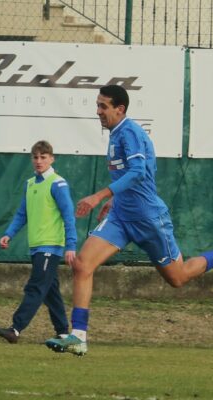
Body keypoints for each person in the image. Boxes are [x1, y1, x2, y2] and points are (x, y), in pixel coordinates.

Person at [45, 85, 213, 356]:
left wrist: (100, 196)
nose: (98, 111)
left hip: (148, 218)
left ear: (119, 109)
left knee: (178, 278)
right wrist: (114, 200)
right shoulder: (115, 134)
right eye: (97, 105)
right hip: (121, 216)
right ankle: (78, 336)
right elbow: (136, 175)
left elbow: (138, 173)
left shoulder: (130, 132)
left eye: (103, 106)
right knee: (82, 265)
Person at [0, 140, 77, 344]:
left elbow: (69, 215)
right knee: (50, 291)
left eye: (43, 157)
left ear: (52, 158)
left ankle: (15, 329)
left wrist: (71, 246)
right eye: (35, 157)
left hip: (51, 246)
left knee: (36, 287)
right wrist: (9, 234)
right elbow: (22, 213)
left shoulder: (58, 183)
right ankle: (64, 333)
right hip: (37, 246)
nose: (39, 161)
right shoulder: (30, 184)